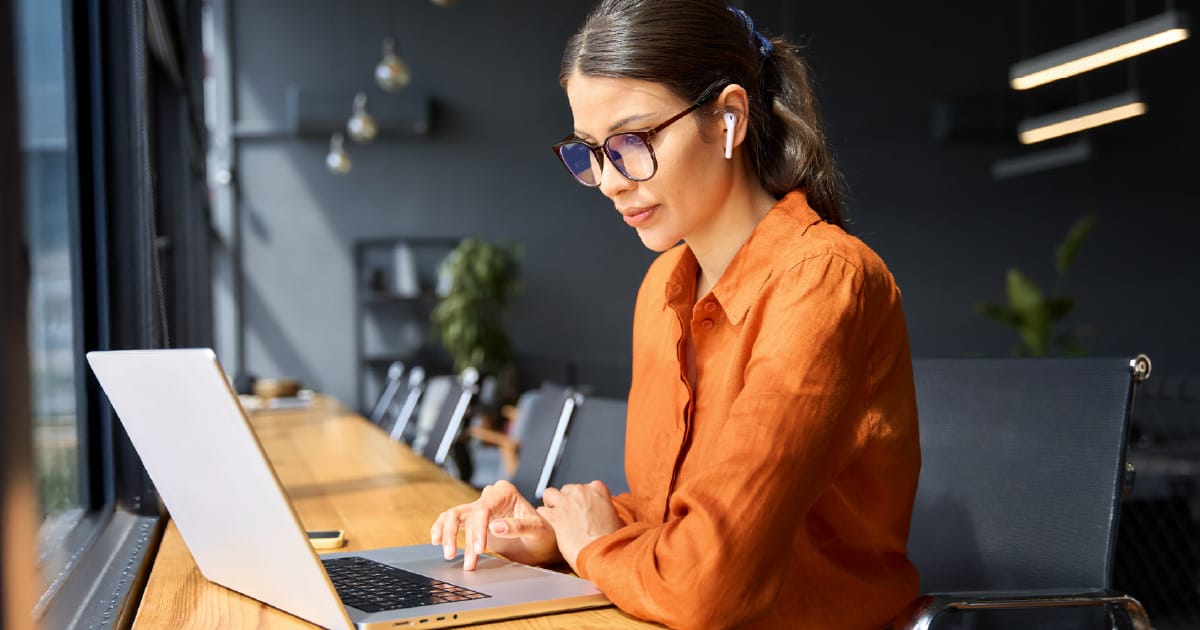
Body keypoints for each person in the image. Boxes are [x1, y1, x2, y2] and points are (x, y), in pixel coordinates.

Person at [430, 1, 921, 627]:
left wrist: (592, 546)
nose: (610, 181)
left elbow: (707, 583)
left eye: (633, 141)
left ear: (729, 119)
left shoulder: (822, 280)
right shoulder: (665, 283)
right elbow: (681, 516)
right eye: (592, 152)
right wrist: (554, 535)